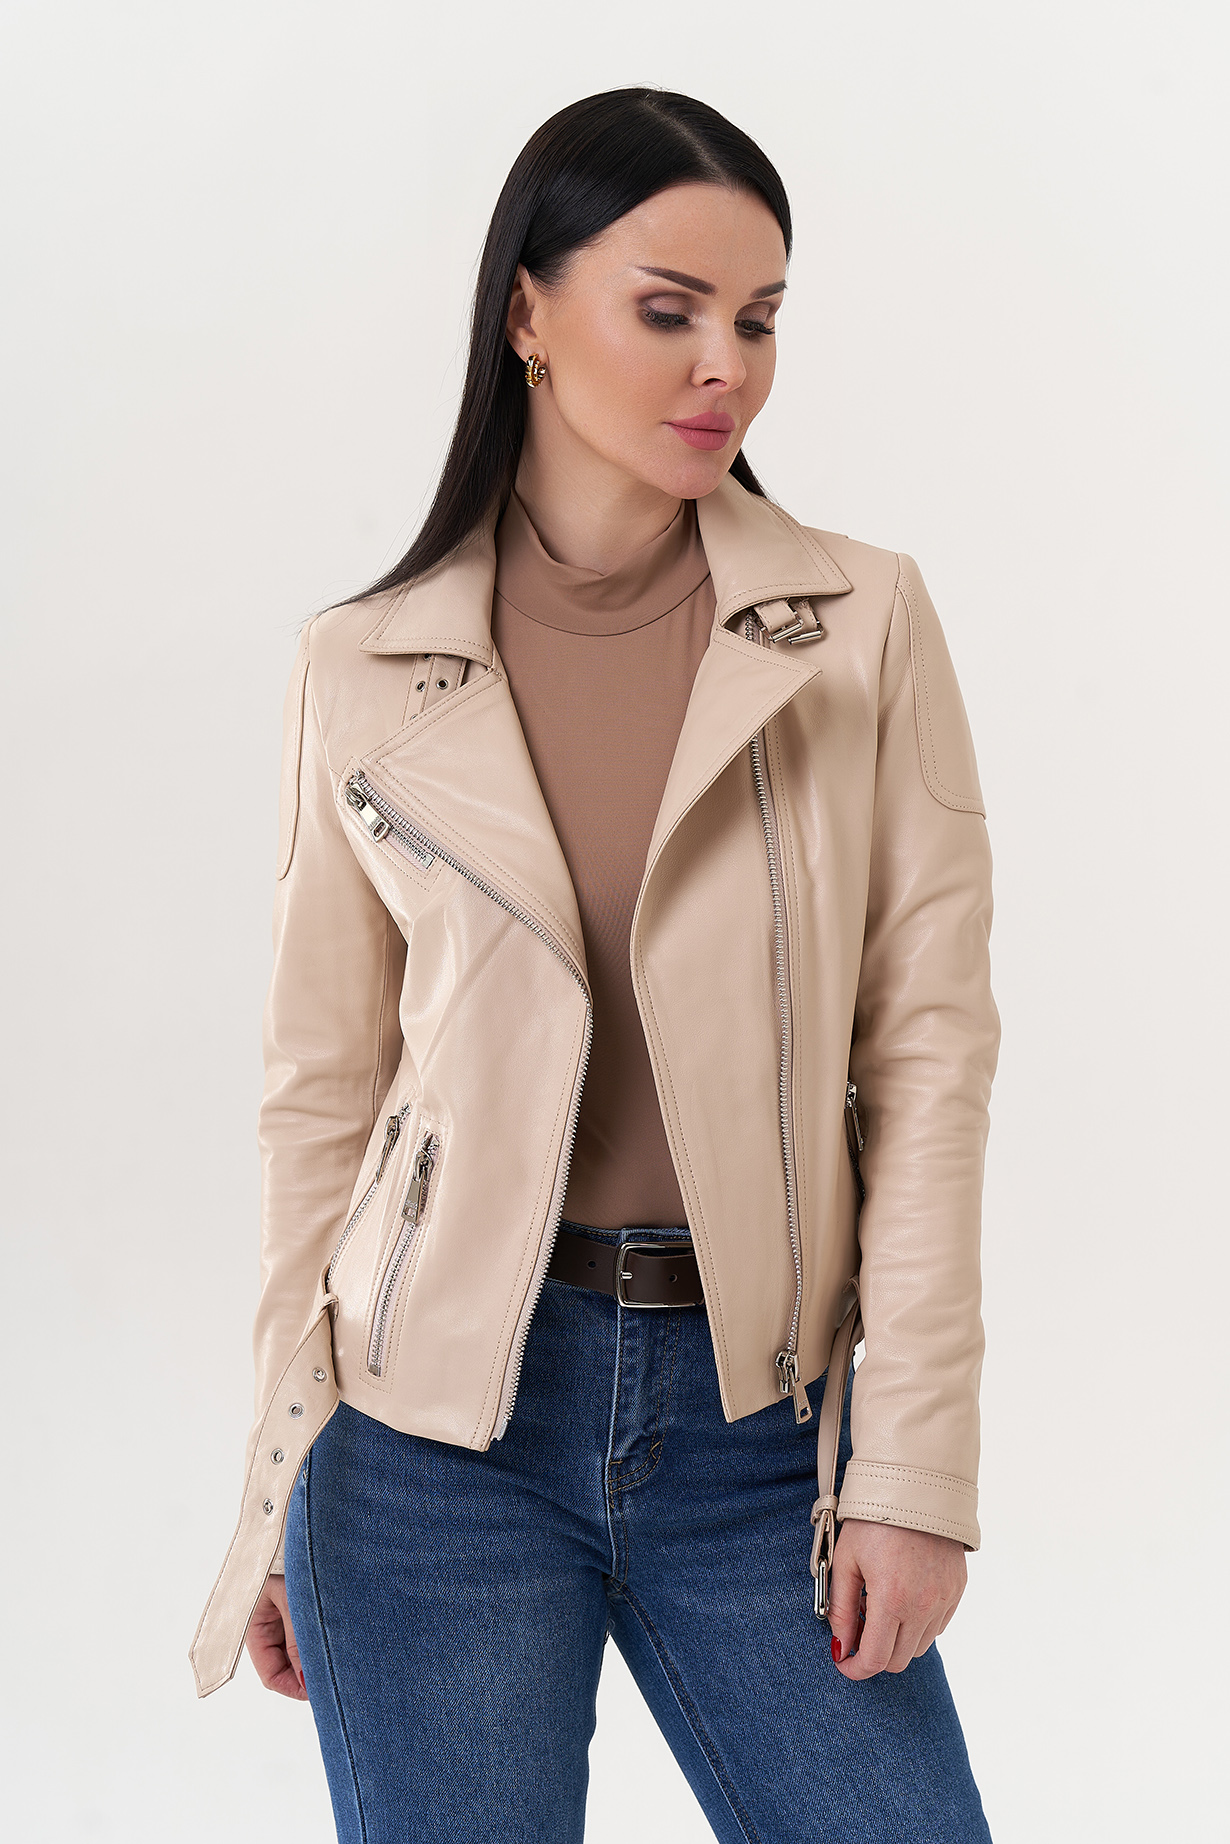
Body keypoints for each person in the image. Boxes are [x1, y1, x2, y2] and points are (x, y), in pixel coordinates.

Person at [190, 86, 1001, 1844]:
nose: (726, 366)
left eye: (758, 319)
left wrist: (913, 1466)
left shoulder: (857, 628)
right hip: (427, 1445)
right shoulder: (364, 667)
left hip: (763, 1429)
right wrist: (275, 1486)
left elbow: (930, 1059)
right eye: (668, 310)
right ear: (527, 315)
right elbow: (319, 1099)